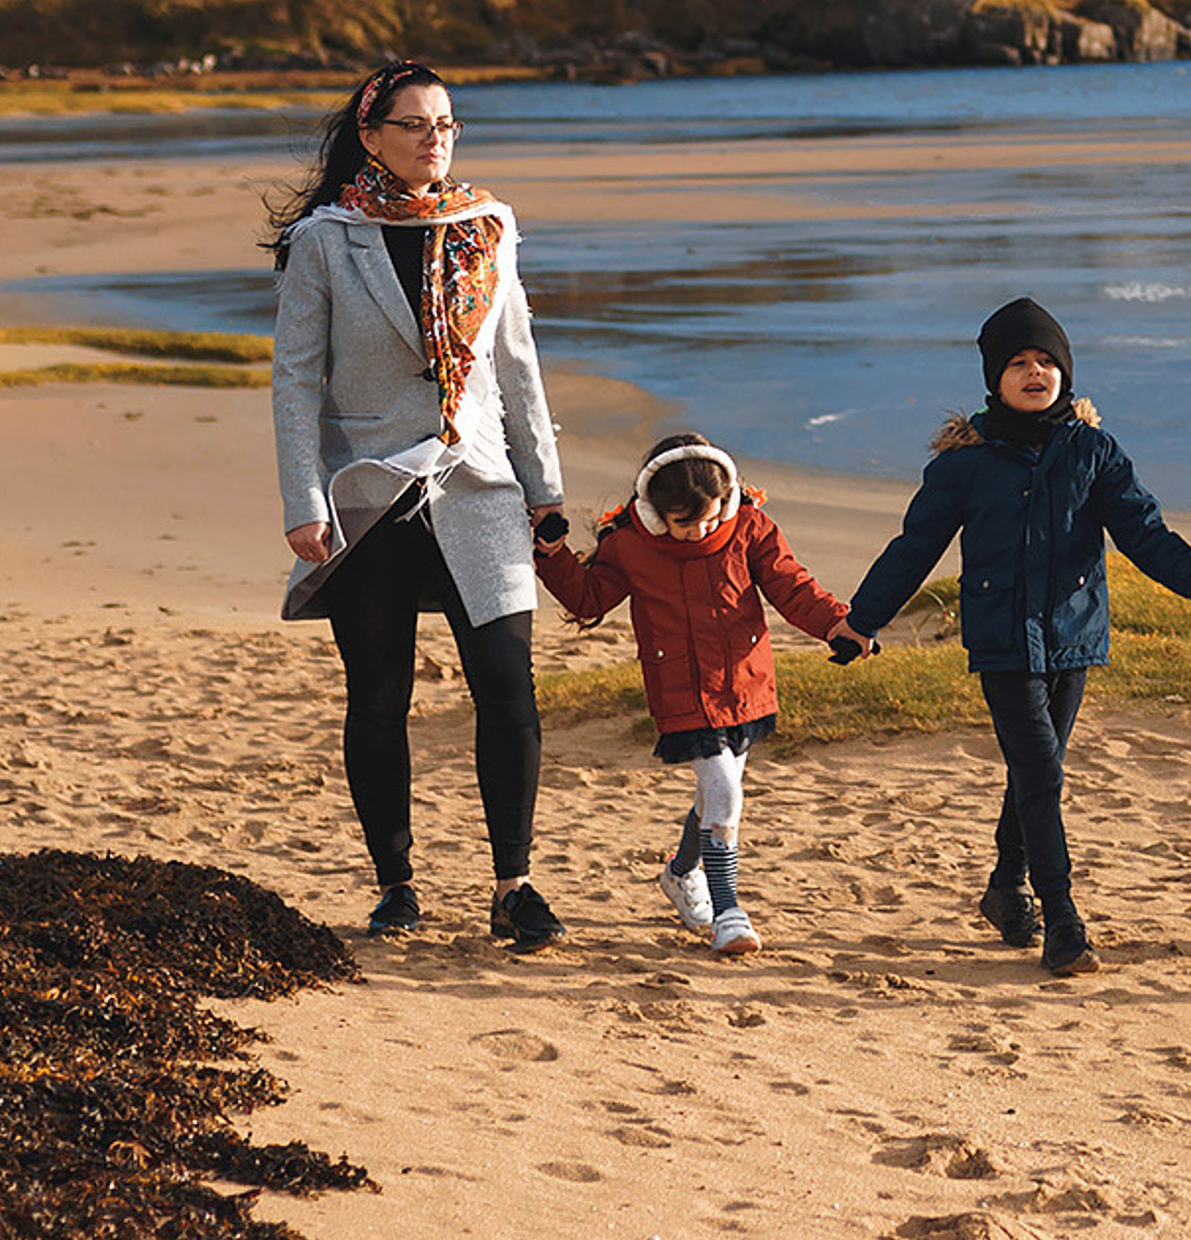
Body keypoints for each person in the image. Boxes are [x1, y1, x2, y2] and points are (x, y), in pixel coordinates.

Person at [268, 58, 571, 951]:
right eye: (416, 125)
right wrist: (303, 498)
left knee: (508, 689)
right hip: (368, 496)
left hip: (481, 485)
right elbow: (294, 381)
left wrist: (546, 491)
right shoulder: (326, 239)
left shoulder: (489, 224)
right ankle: (396, 884)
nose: (436, 138)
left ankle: (513, 885)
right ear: (372, 136)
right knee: (378, 696)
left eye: (447, 124)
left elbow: (518, 365)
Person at [839, 298, 1191, 977]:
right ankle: (1063, 920)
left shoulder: (1092, 450)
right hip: (1001, 639)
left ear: (1065, 372)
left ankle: (1004, 887)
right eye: (1019, 363)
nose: (1034, 372)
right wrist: (862, 619)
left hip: (1074, 635)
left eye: (1046, 361)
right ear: (995, 378)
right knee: (1043, 773)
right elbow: (915, 548)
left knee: (1033, 772)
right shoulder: (963, 463)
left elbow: (1141, 531)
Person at [536, 431, 863, 958]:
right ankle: (729, 913)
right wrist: (551, 555)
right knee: (725, 791)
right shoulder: (630, 544)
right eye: (684, 523)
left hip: (745, 681)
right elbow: (587, 596)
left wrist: (840, 626)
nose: (699, 531)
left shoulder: (750, 527)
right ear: (654, 510)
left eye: (709, 518)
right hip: (681, 688)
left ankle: (681, 871)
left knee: (714, 793)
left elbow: (792, 587)